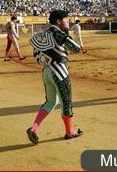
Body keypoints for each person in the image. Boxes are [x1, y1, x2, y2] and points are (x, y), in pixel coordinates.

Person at [27, 10, 83, 145]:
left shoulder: (41, 35)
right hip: (59, 71)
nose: (67, 22)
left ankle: (34, 128)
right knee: (66, 102)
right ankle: (70, 131)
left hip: (46, 71)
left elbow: (36, 55)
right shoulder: (58, 33)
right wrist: (67, 35)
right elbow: (76, 48)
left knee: (50, 102)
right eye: (66, 19)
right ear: (58, 21)